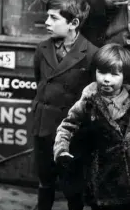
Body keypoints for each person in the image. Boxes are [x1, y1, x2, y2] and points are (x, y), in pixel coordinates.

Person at [32, 0, 99, 210]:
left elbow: (92, 98)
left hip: (71, 133)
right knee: (45, 181)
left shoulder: (91, 54)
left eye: (54, 18)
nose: (46, 22)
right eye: (47, 16)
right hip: (43, 128)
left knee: (73, 187)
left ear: (74, 23)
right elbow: (41, 83)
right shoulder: (42, 49)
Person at [54, 43, 130, 210]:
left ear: (125, 76)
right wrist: (62, 150)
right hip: (99, 176)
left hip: (126, 178)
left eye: (114, 74)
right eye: (101, 72)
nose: (106, 79)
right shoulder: (89, 99)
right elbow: (67, 126)